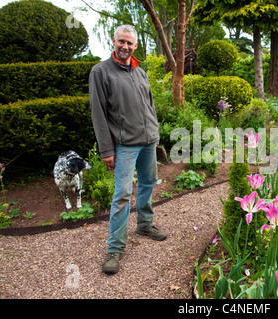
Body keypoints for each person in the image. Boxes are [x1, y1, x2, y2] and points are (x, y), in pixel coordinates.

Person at [89, 25, 167, 275]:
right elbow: (98, 114)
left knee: (148, 183)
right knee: (122, 195)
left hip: (147, 141)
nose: (125, 46)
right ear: (114, 41)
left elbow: (150, 106)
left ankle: (145, 225)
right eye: (121, 41)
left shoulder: (140, 72)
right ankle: (115, 249)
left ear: (135, 46)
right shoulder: (100, 72)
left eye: (130, 43)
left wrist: (154, 135)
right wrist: (106, 150)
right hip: (123, 146)